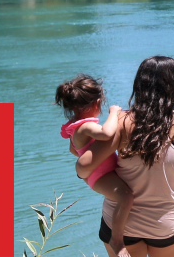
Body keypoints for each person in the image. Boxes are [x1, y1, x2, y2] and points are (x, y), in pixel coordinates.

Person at [79, 55, 174, 257]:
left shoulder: (123, 122)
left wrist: (87, 174)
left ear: (139, 84)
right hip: (165, 223)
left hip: (121, 226)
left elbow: (85, 166)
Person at [55, 75, 135, 257]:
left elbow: (74, 151)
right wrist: (114, 113)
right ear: (97, 103)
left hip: (97, 173)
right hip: (100, 175)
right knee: (126, 197)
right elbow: (107, 133)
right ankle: (117, 240)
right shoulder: (85, 127)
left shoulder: (74, 127)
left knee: (124, 196)